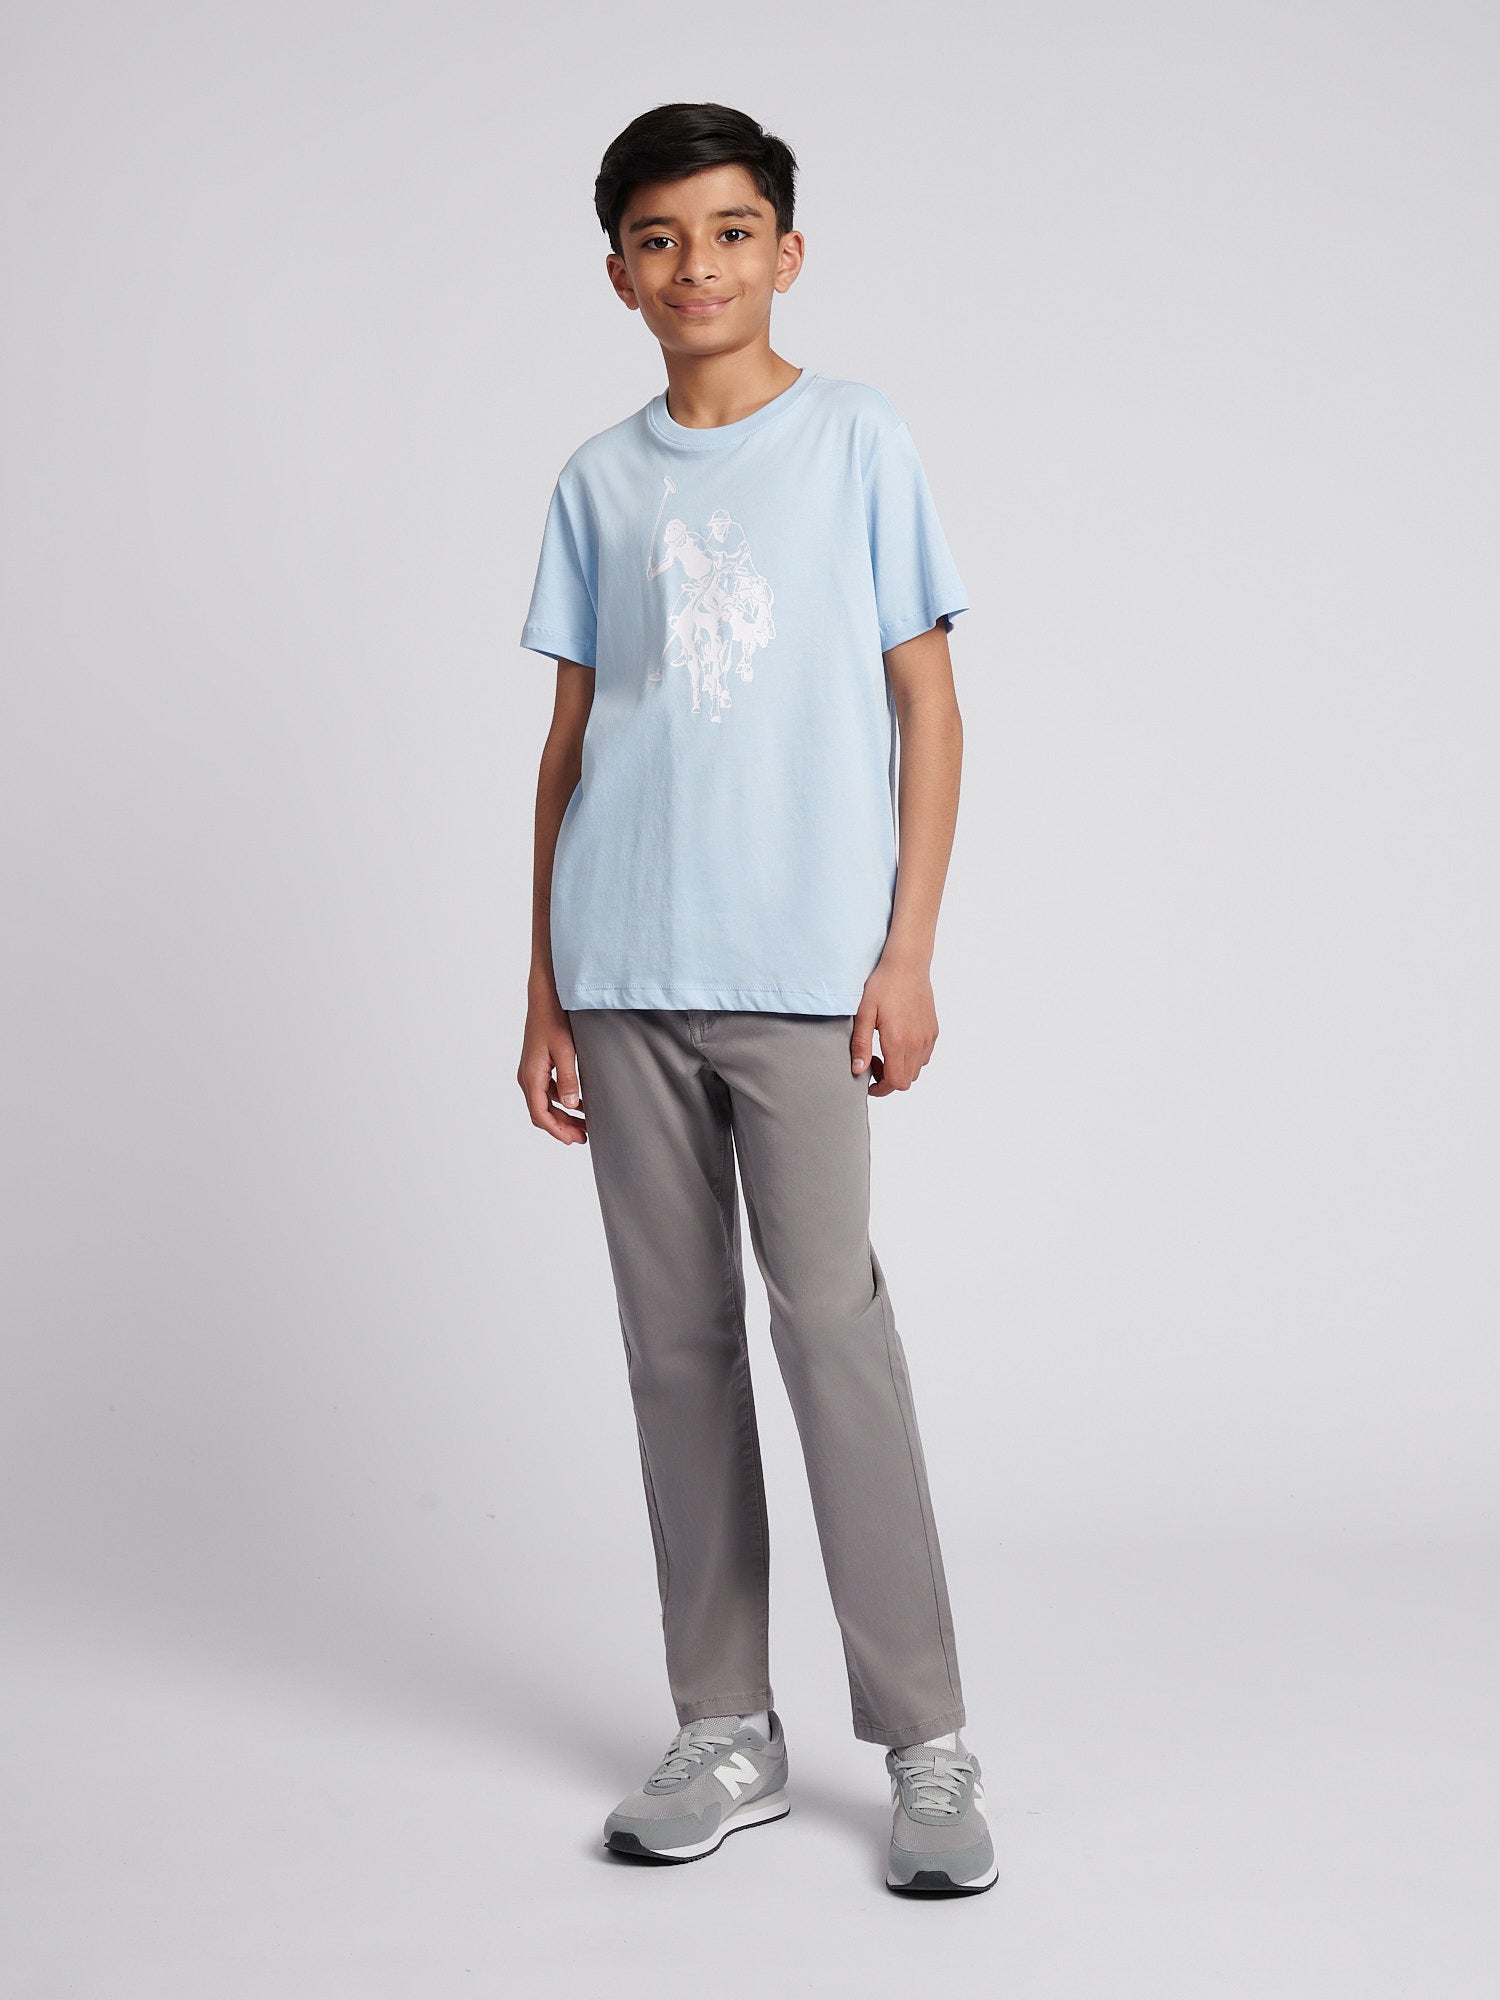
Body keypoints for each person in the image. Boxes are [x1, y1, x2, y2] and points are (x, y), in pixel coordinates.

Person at [517, 100, 995, 1897]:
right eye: (658, 237)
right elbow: (569, 747)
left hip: (799, 973)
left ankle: (926, 1741)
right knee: (674, 1348)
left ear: (785, 252)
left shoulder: (857, 440)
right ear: (619, 273)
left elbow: (927, 702)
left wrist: (906, 951)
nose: (695, 265)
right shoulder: (594, 481)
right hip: (624, 970)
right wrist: (546, 988)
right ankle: (725, 1724)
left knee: (831, 1328)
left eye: (728, 232)